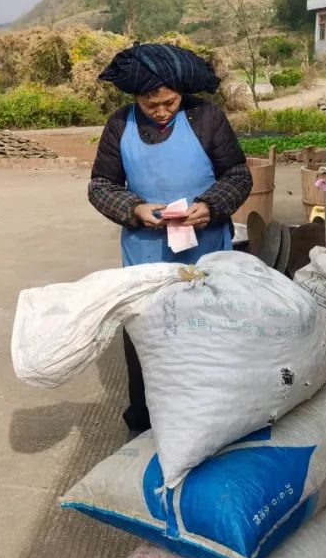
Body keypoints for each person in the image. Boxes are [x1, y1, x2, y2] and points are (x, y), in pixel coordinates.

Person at [89, 42, 253, 432]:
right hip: (145, 252)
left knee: (208, 331)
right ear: (136, 98)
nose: (161, 111)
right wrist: (134, 209)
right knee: (147, 334)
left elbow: (238, 175)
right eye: (151, 105)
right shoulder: (120, 124)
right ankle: (146, 416)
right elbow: (100, 186)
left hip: (205, 248)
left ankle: (211, 417)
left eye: (169, 102)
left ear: (181, 92)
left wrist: (211, 205)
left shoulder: (207, 117)